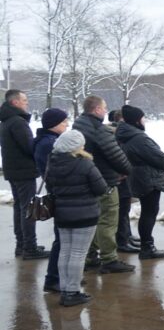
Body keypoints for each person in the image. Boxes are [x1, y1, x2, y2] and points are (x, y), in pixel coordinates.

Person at [45, 130, 109, 307]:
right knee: (78, 254)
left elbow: (50, 188)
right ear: (76, 147)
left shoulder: (53, 163)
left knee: (65, 251)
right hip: (85, 215)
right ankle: (72, 292)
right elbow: (101, 188)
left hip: (62, 214)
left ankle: (65, 288)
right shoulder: (85, 164)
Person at [73, 96, 135, 274]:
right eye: (104, 107)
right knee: (107, 221)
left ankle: (90, 255)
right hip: (105, 180)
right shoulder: (98, 130)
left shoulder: (79, 124)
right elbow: (116, 156)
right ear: (97, 109)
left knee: (93, 219)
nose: (106, 111)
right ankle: (109, 259)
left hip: (89, 179)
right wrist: (127, 170)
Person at [115, 105, 164, 260]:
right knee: (149, 212)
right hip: (148, 179)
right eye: (142, 118)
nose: (144, 120)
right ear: (136, 121)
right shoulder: (139, 138)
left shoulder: (126, 135)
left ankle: (146, 244)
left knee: (148, 212)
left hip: (139, 177)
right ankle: (147, 247)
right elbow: (159, 158)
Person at [1, 89, 48, 259]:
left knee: (19, 207)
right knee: (28, 208)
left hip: (13, 170)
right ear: (15, 102)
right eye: (24, 100)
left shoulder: (7, 121)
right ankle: (29, 247)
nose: (27, 103)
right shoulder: (17, 122)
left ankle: (22, 244)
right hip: (23, 171)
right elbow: (29, 147)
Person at [34, 108, 68, 292]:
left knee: (62, 238)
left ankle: (60, 277)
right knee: (61, 239)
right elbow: (57, 170)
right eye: (63, 122)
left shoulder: (48, 141)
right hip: (60, 193)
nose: (67, 125)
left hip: (58, 191)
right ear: (54, 124)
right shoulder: (49, 144)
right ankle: (53, 278)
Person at [108, 109, 139, 254]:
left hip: (123, 176)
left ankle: (126, 236)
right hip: (119, 178)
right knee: (121, 211)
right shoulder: (114, 134)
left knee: (125, 210)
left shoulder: (117, 133)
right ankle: (123, 240)